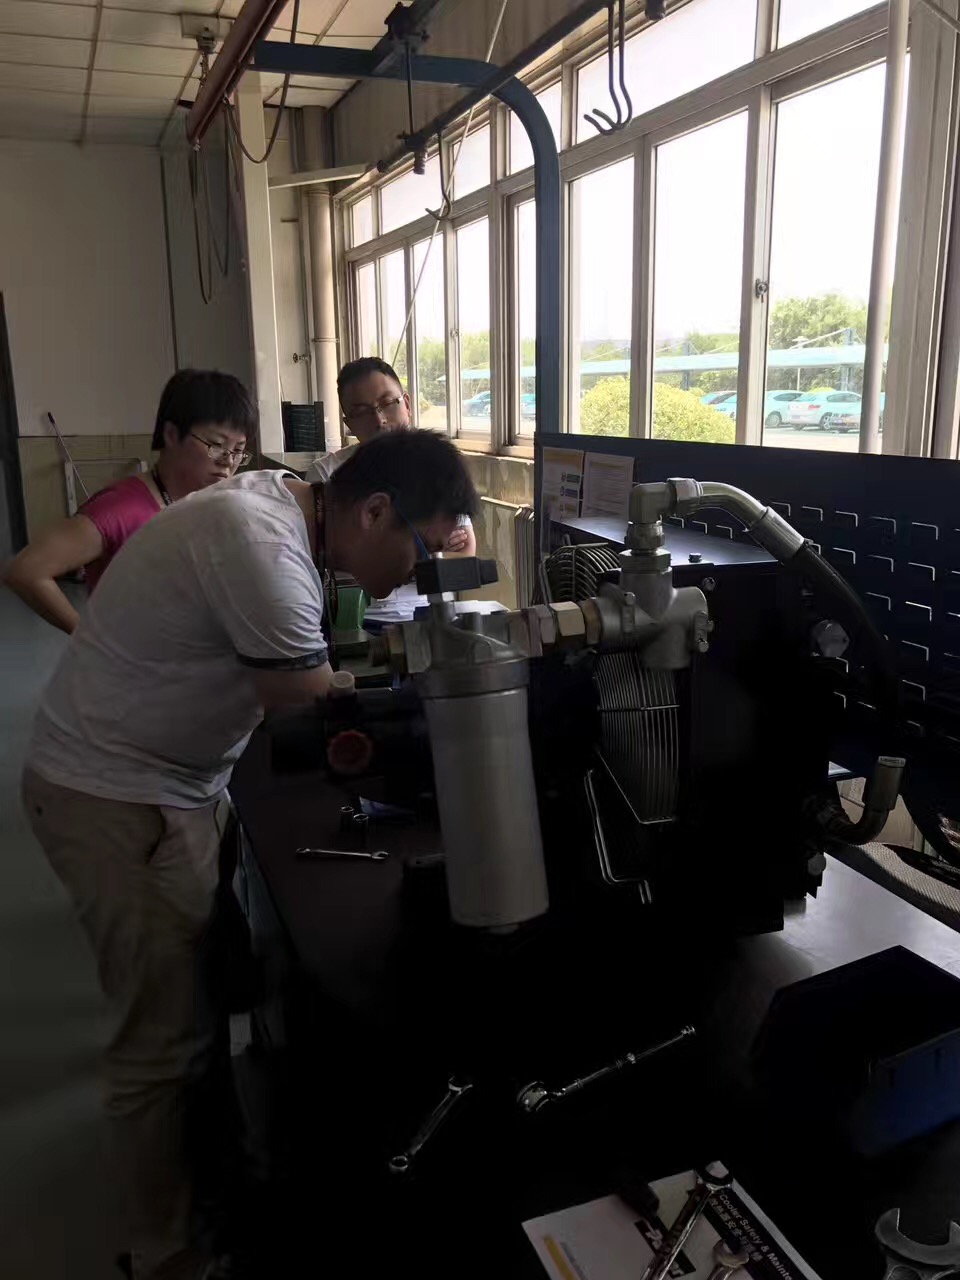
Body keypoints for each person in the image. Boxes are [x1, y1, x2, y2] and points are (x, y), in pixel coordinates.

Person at [22, 430, 478, 1280]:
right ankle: (164, 1251)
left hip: (168, 780)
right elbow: (309, 714)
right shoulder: (263, 546)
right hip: (117, 797)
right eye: (421, 550)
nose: (419, 573)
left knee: (202, 1007)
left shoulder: (282, 511)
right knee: (162, 1042)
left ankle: (220, 1182)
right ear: (374, 511)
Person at [3, 369, 255, 633]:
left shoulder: (209, 501)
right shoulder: (120, 510)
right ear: (171, 435)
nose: (228, 461)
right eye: (216, 444)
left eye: (238, 450)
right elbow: (26, 571)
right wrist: (88, 638)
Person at [305, 356, 477, 556]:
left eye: (387, 403)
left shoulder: (437, 463)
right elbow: (325, 551)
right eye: (361, 412)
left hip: (431, 578)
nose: (379, 420)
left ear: (407, 405)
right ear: (349, 424)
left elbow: (463, 545)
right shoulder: (325, 474)